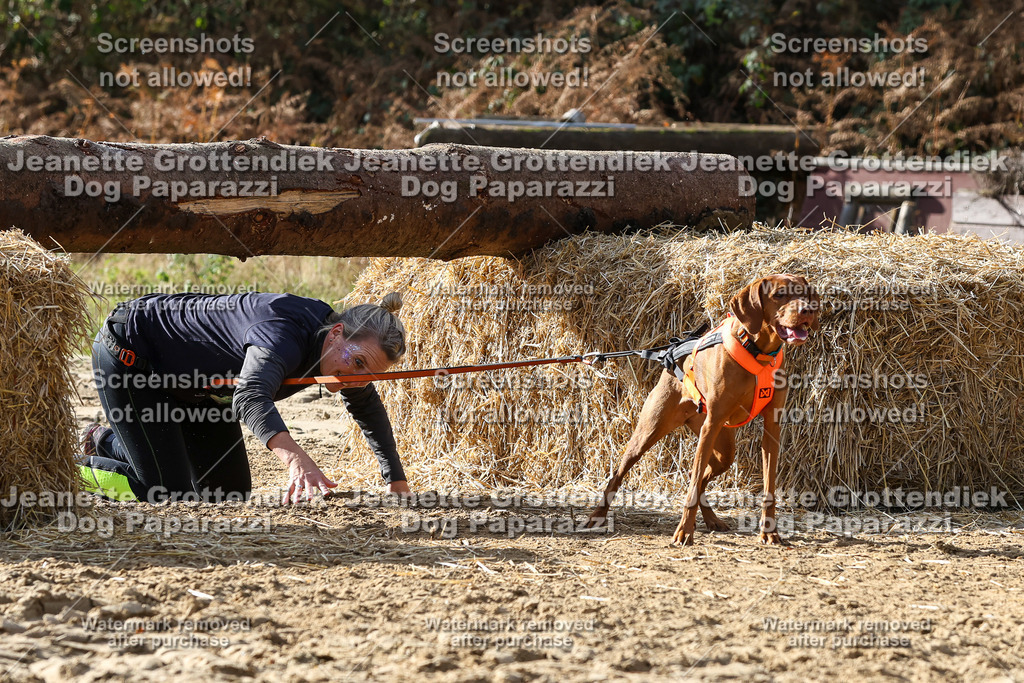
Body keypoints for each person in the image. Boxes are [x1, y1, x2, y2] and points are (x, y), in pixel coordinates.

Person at [79, 290, 411, 504]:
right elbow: (250, 396)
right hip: (132, 356)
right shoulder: (281, 336)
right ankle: (69, 470)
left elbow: (366, 405)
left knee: (228, 497)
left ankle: (106, 441)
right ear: (337, 334)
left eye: (368, 373)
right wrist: (297, 460)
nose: (357, 379)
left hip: (200, 390)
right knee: (165, 495)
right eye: (358, 364)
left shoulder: (342, 349)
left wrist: (396, 479)